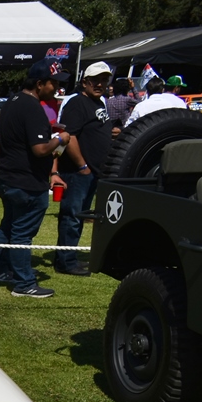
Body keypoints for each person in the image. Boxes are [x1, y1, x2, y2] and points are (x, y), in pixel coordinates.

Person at [0, 58, 72, 299]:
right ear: (40, 83)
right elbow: (40, 150)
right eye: (53, 83)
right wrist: (61, 139)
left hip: (8, 176)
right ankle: (24, 283)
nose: (57, 89)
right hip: (27, 181)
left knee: (9, 228)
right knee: (22, 233)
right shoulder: (33, 108)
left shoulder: (11, 101)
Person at [53, 61, 116, 275]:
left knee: (79, 216)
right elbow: (68, 137)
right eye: (96, 80)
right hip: (77, 172)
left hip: (93, 172)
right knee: (72, 215)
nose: (100, 84)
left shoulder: (100, 103)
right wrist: (82, 166)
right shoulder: (77, 103)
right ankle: (65, 261)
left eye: (104, 80)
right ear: (85, 82)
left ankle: (69, 257)